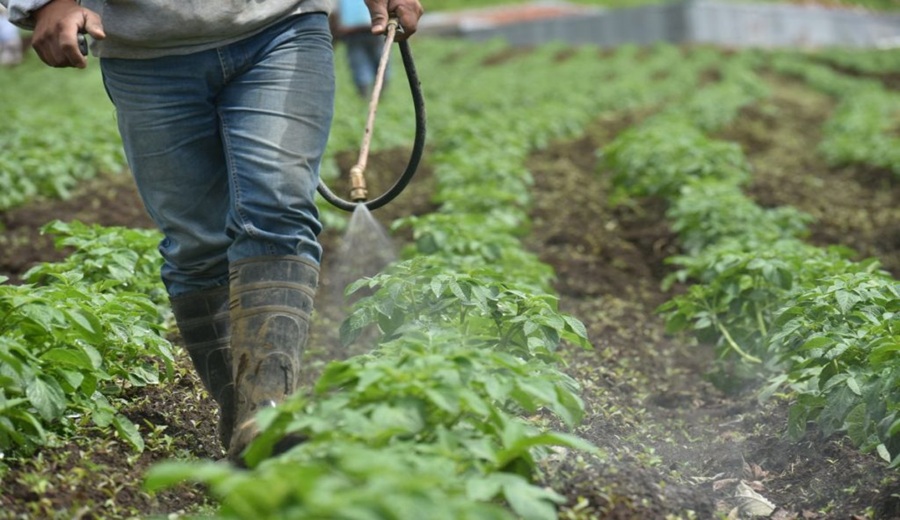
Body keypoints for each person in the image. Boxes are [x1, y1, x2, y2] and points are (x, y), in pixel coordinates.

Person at [2, 0, 423, 464]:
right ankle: (242, 415)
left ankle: (267, 410)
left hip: (282, 25)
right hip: (147, 50)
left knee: (279, 208)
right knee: (196, 246)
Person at [331, 0, 391, 98]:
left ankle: (365, 94)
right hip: (373, 26)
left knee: (359, 63)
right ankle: (379, 94)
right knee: (380, 60)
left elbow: (334, 11)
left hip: (350, 30)